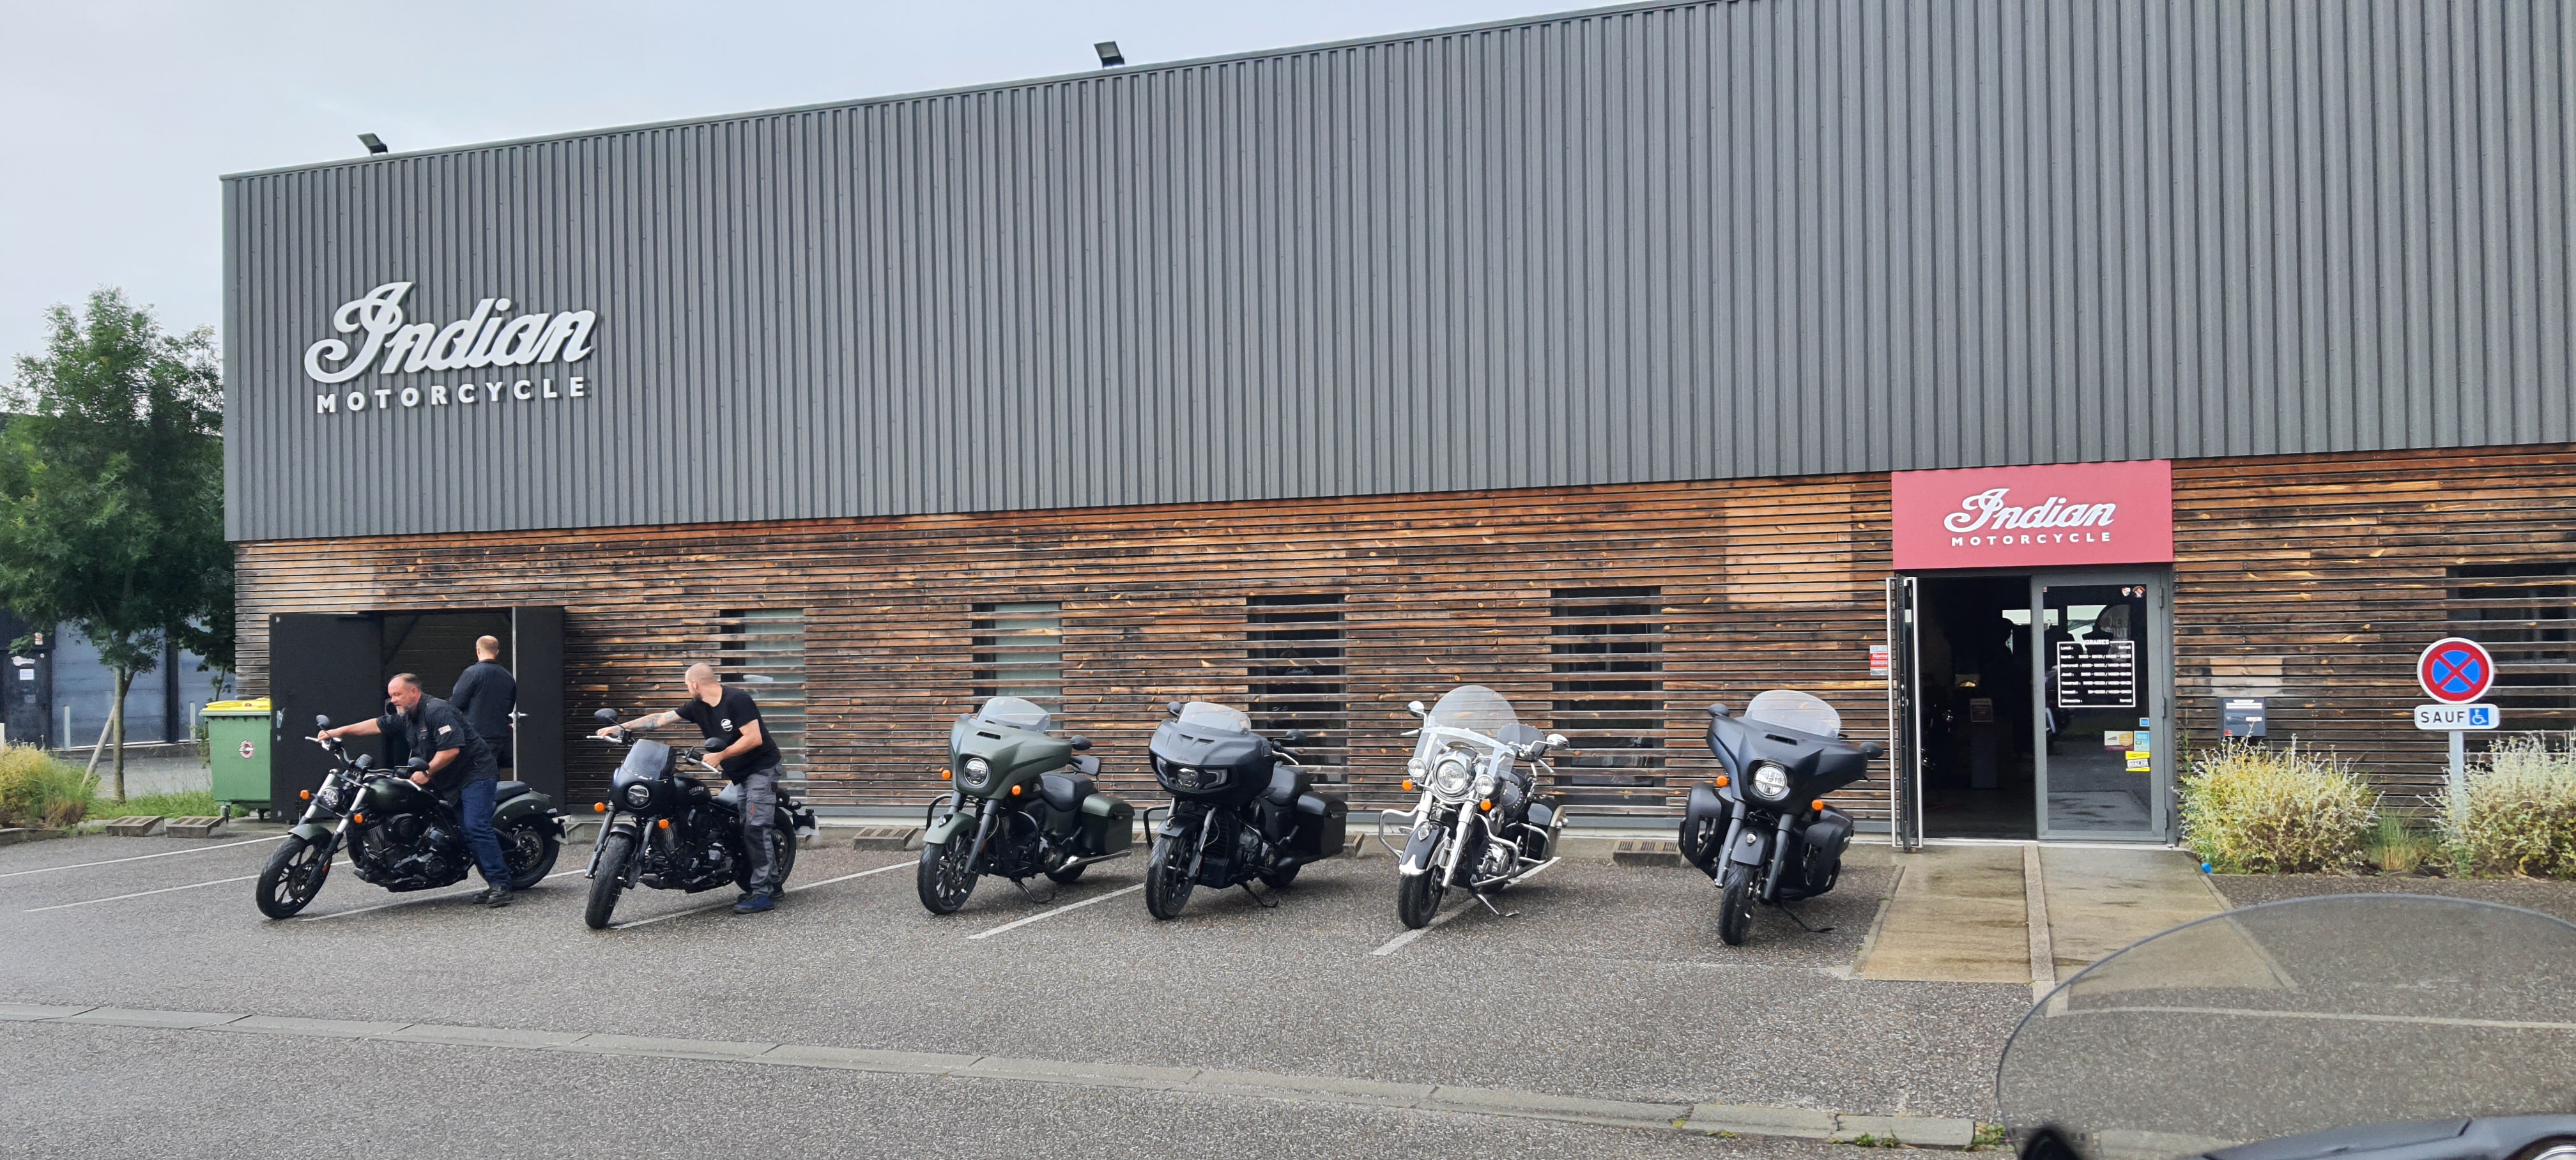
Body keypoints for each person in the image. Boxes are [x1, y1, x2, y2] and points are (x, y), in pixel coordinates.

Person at [597, 664, 785, 914]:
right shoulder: (699, 706)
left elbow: (754, 738)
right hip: (740, 772)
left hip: (760, 769)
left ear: (694, 684)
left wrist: (721, 755)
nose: (688, 690)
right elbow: (661, 719)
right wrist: (622, 728)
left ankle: (763, 894)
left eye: (687, 685)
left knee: (755, 827)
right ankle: (772, 882)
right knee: (744, 826)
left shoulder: (736, 700)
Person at [319, 673, 515, 906]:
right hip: (446, 778)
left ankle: (500, 884)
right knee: (458, 828)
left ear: (414, 692)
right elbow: (377, 724)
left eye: (397, 694)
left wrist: (428, 772)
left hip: (474, 775)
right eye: (391, 695)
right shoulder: (407, 716)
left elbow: (451, 750)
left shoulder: (437, 711)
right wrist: (339, 732)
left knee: (475, 827)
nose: (393, 700)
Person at [449, 636, 518, 771]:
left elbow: (456, 703)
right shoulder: (508, 676)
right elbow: (510, 705)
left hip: (475, 736)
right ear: (497, 652)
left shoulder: (472, 673)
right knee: (492, 771)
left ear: (478, 651)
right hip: (500, 736)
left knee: (475, 773)